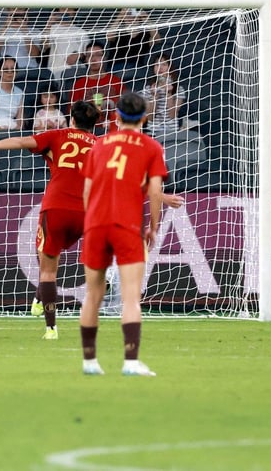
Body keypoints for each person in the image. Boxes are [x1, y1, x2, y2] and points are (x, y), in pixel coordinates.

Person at [0, 100, 100, 339]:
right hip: (87, 212)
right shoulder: (101, 145)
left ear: (72, 118)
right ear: (94, 123)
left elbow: (18, 141)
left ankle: (51, 328)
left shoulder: (58, 135)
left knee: (48, 271)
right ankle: (42, 297)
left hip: (57, 208)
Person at [79, 92, 176, 377]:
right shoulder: (151, 146)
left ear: (117, 116)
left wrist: (90, 221)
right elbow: (156, 192)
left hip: (96, 224)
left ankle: (89, 362)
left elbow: (86, 190)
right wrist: (154, 226)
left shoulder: (99, 145)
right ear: (145, 117)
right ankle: (131, 362)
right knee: (131, 298)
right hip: (126, 225)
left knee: (92, 295)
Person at [69, 41, 124, 127]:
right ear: (86, 60)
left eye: (98, 55)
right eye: (89, 56)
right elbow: (73, 112)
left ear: (104, 58)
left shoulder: (116, 81)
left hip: (113, 129)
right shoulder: (79, 85)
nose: (93, 59)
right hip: (87, 130)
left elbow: (125, 108)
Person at [140, 52, 185, 138]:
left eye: (164, 64)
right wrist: (154, 96)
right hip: (152, 132)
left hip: (171, 132)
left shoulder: (179, 89)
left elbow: (172, 115)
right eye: (157, 65)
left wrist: (169, 93)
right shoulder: (148, 89)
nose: (160, 68)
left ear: (170, 68)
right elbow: (150, 118)